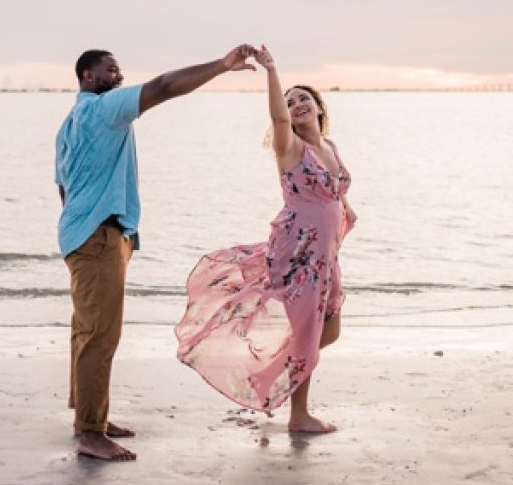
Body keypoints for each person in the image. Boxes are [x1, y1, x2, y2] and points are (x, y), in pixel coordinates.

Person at [55, 44, 256, 461]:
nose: (119, 75)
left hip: (82, 234)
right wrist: (220, 65)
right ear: (89, 77)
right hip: (98, 235)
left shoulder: (70, 121)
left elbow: (62, 185)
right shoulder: (105, 108)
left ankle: (92, 416)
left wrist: (83, 226)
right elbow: (163, 86)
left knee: (87, 332)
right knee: (100, 335)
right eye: (111, 69)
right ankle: (90, 433)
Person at [175, 44, 357, 434]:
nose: (297, 105)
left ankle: (274, 367)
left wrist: (346, 207)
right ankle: (299, 416)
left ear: (320, 108)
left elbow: (335, 189)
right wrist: (272, 71)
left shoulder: (331, 147)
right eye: (291, 103)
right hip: (298, 252)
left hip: (326, 254)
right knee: (308, 334)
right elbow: (276, 116)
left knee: (330, 330)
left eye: (304, 98)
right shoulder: (289, 148)